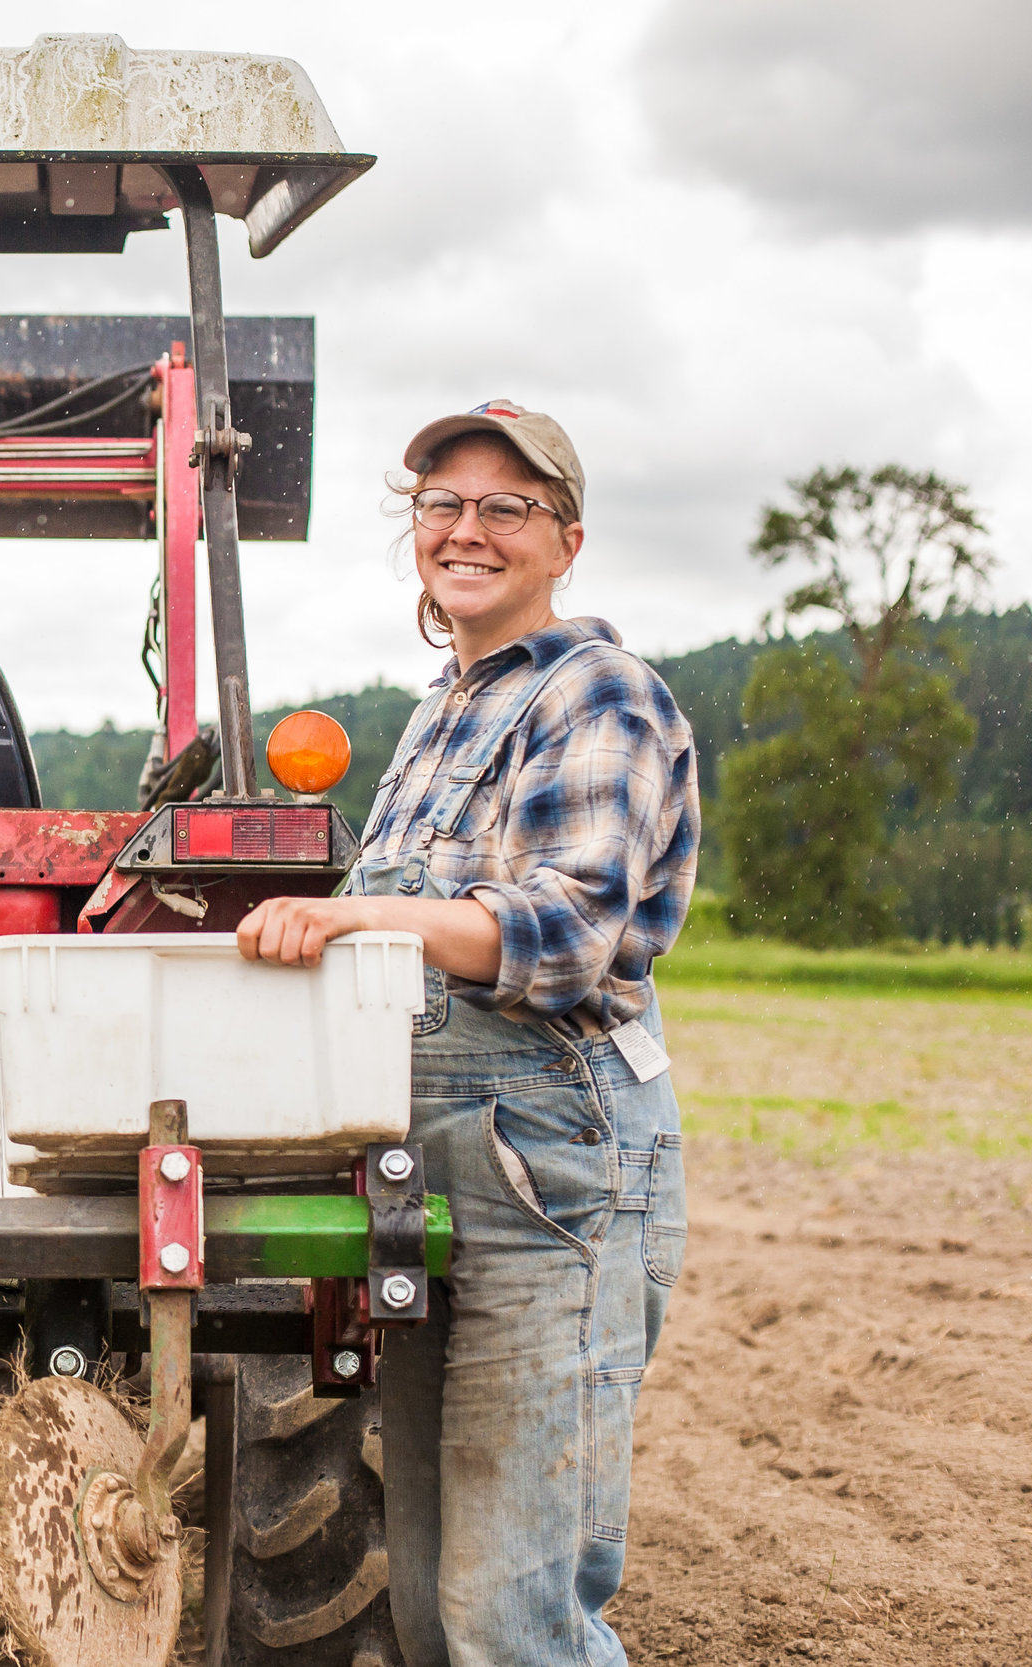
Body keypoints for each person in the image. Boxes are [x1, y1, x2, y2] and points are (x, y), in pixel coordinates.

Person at [236, 401, 698, 1665]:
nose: (467, 530)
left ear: (567, 540)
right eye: (442, 503)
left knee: (517, 1613)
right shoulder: (442, 711)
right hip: (440, 1156)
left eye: (508, 507)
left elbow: (567, 928)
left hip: (554, 1165)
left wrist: (355, 918)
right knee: (437, 1604)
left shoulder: (597, 690)